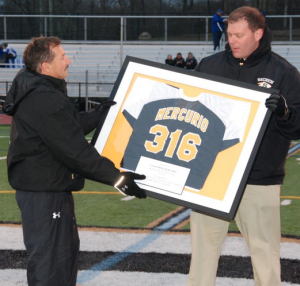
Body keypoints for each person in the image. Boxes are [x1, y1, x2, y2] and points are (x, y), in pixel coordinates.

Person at [3, 36, 146, 286]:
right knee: (51, 265)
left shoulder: (44, 91)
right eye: (62, 56)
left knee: (63, 258)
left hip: (49, 191)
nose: (68, 60)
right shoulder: (43, 98)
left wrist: (98, 115)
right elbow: (76, 152)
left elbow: (69, 126)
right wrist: (118, 178)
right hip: (44, 196)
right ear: (45, 66)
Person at [187, 6, 300, 286]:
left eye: (239, 35)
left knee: (265, 254)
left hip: (259, 178)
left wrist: (286, 113)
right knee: (202, 253)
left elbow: (298, 128)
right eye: (229, 34)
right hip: (210, 175)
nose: (231, 40)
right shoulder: (209, 65)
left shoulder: (284, 72)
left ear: (258, 34)